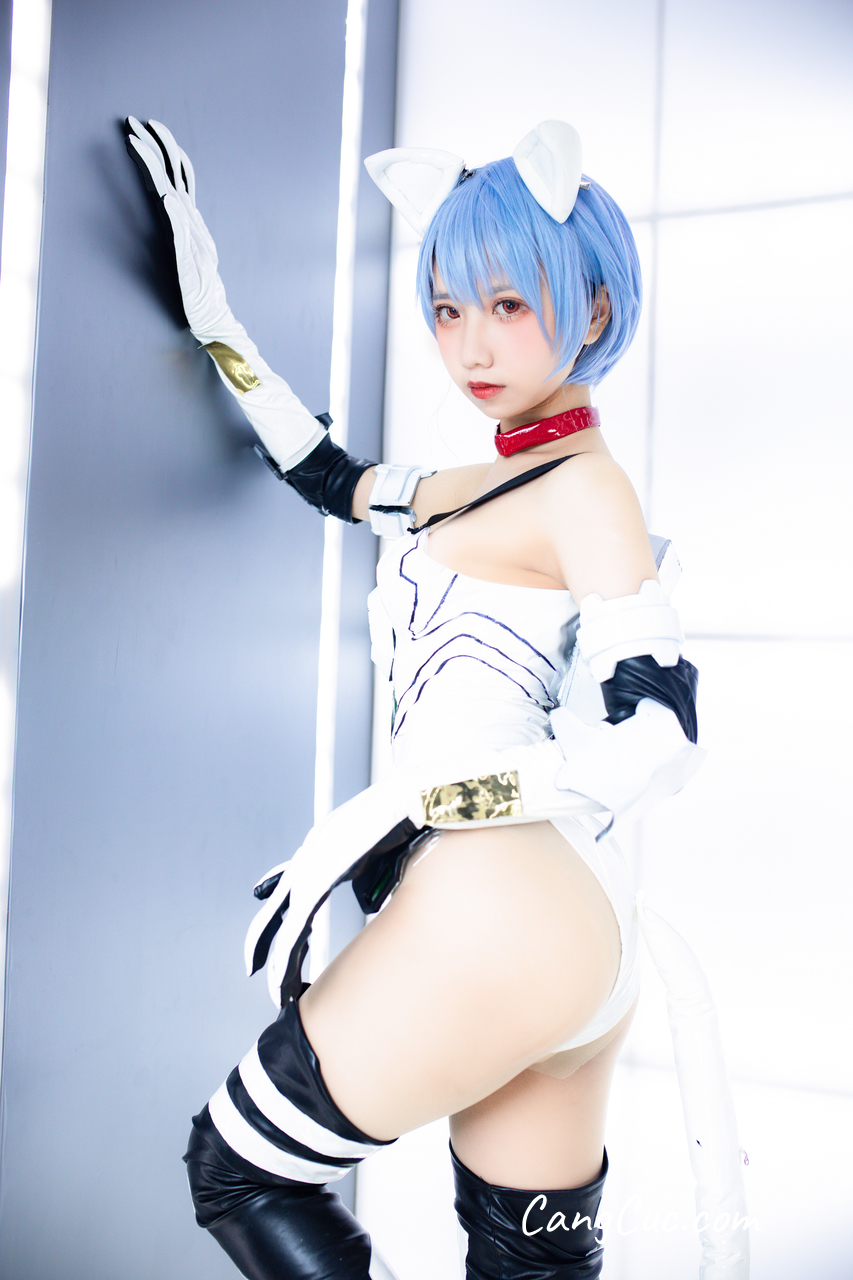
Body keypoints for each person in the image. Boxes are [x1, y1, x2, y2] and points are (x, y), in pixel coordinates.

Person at [125, 117, 746, 1280]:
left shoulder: (585, 491)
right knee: (525, 1267)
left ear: (592, 309)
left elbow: (657, 733)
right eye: (448, 307)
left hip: (499, 895)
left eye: (507, 304)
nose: (471, 343)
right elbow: (326, 473)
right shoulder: (481, 480)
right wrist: (216, 321)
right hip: (558, 935)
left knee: (240, 1168)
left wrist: (404, 803)